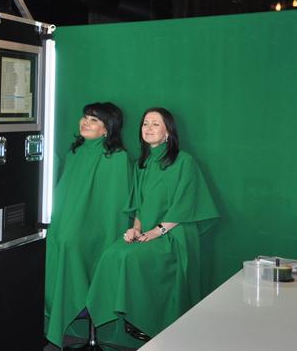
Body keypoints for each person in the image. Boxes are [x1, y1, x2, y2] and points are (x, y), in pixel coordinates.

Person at [85, 107, 219, 342]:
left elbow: (186, 204)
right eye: (145, 123)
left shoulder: (184, 161)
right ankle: (125, 317)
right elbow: (139, 206)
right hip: (146, 232)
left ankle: (148, 321)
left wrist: (159, 230)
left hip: (175, 234)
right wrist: (136, 229)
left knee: (129, 258)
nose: (148, 128)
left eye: (155, 124)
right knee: (111, 254)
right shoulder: (142, 164)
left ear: (168, 131)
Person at [44, 102, 131, 348]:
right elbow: (64, 196)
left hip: (98, 232)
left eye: (94, 120)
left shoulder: (117, 158)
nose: (85, 122)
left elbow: (113, 208)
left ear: (107, 128)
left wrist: (81, 232)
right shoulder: (76, 153)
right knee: (54, 244)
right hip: (66, 225)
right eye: (85, 117)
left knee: (69, 245)